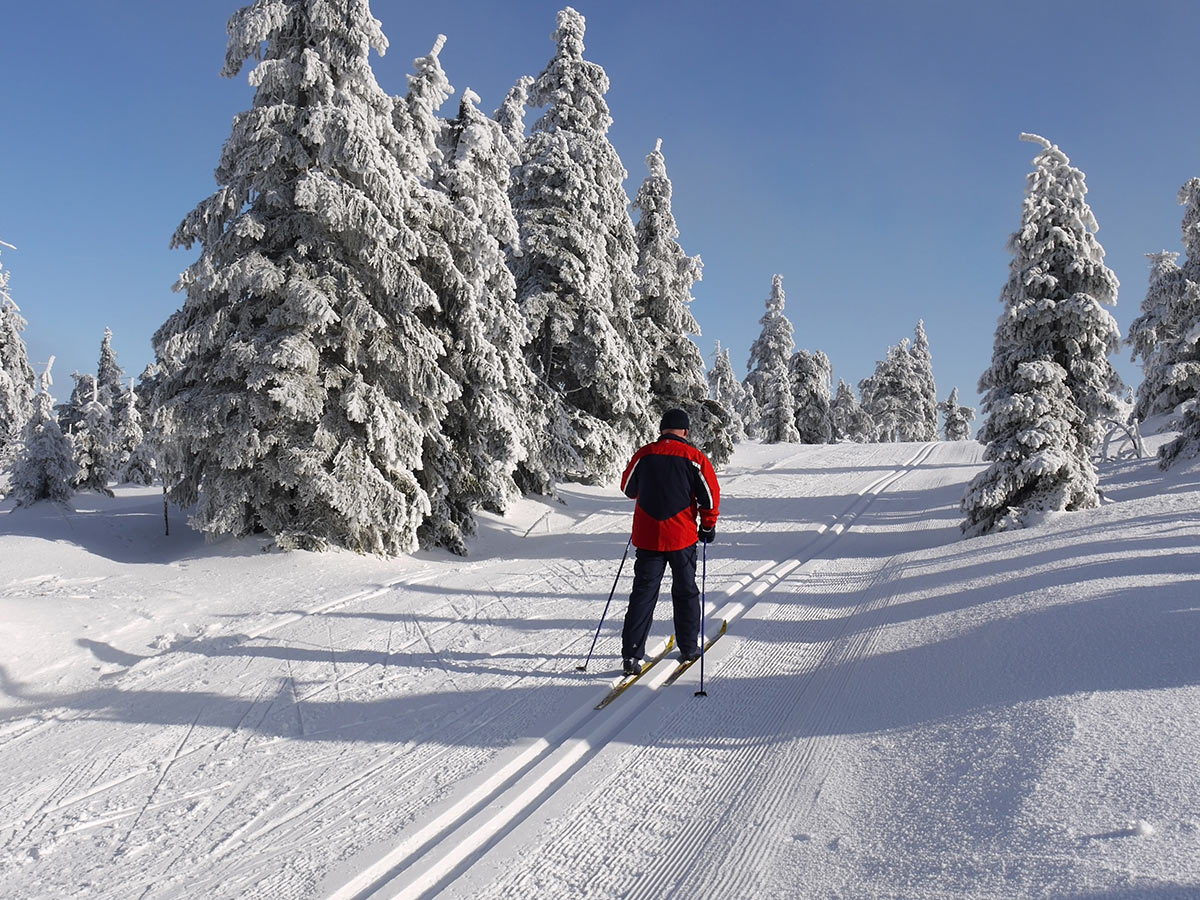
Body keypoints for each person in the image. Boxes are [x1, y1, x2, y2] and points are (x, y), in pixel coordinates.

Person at [618, 408, 721, 676]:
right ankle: (688, 647)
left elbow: (628, 488)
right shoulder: (694, 458)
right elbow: (709, 497)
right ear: (685, 432)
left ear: (662, 429)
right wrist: (708, 525)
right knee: (685, 590)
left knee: (643, 593)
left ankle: (631, 655)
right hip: (682, 537)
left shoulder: (644, 454)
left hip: (648, 536)